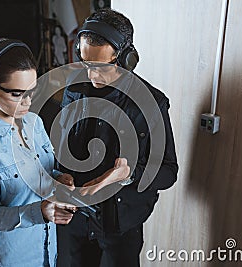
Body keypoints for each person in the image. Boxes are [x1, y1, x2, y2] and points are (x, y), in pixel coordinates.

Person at [55, 9, 179, 267]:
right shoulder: (73, 88)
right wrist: (60, 174)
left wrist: (129, 174)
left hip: (120, 226)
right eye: (86, 63)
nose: (92, 75)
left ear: (126, 59)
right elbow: (61, 147)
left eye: (101, 67)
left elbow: (168, 172)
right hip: (77, 219)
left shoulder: (152, 103)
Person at [0, 38, 76, 267]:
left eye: (31, 92)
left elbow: (43, 171)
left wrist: (58, 178)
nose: (28, 102)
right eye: (16, 94)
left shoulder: (34, 122)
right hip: (12, 258)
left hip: (46, 250)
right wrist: (38, 212)